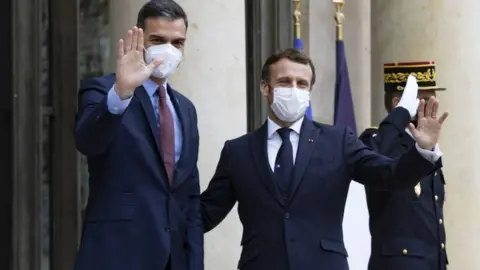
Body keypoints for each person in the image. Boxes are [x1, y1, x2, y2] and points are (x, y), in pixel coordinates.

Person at [200, 49, 448, 270]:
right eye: (285, 82)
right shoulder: (238, 151)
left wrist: (422, 151)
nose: (294, 89)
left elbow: (389, 175)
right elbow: (205, 213)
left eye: (302, 83)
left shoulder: (337, 140)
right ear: (266, 87)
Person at [74, 1, 202, 270]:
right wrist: (121, 93)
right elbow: (88, 141)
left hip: (173, 258)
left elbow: (188, 196)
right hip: (117, 254)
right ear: (140, 38)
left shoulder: (186, 109)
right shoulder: (103, 90)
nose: (169, 49)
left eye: (177, 42)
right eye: (158, 39)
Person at [360, 61, 448, 270]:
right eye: (424, 100)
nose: (432, 105)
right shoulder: (376, 139)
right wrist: (400, 115)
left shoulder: (426, 147)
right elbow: (375, 161)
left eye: (433, 98)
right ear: (399, 102)